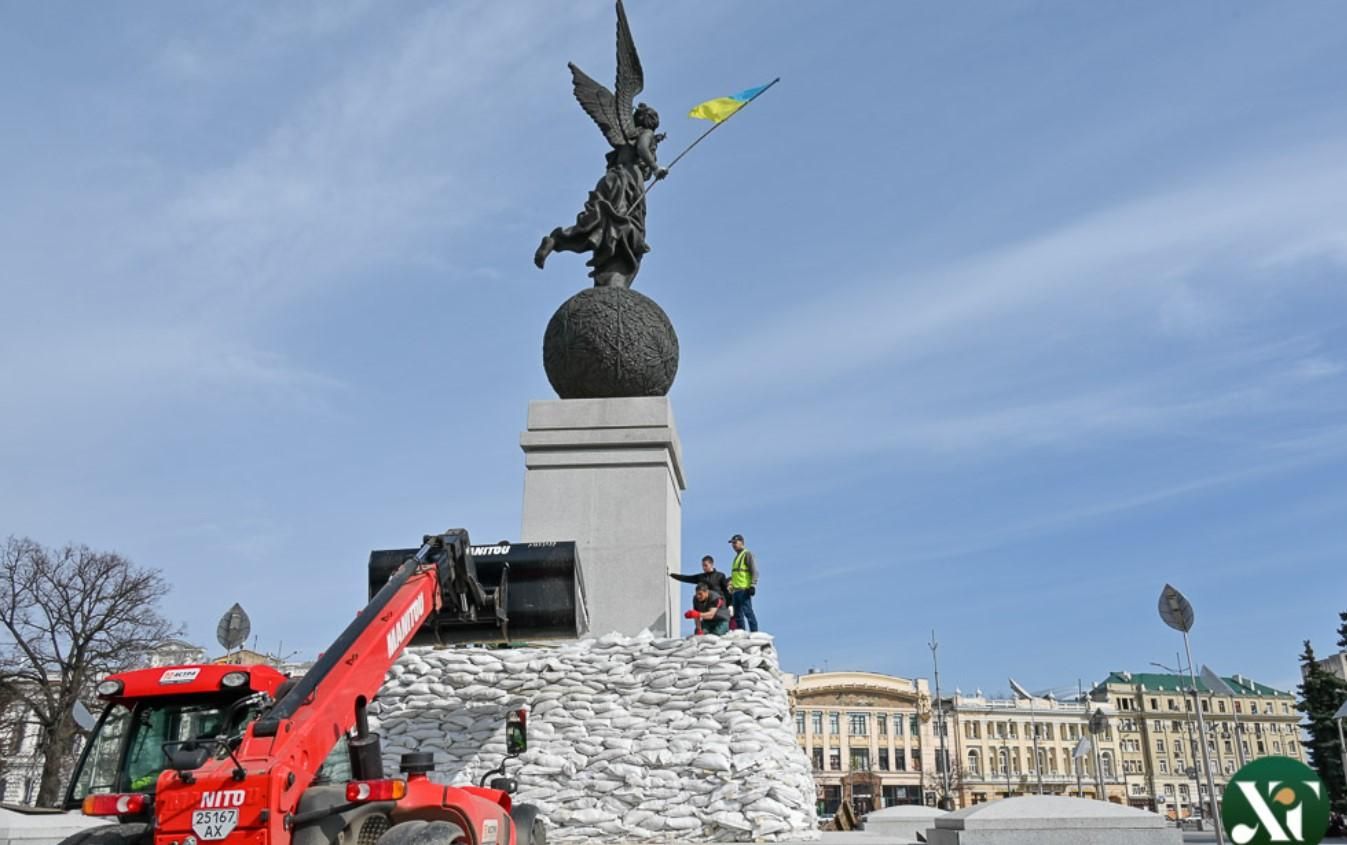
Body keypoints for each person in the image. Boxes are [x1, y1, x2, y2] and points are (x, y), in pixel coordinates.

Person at [727, 533, 759, 632]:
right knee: (738, 615)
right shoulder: (737, 557)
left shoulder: (747, 554)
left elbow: (754, 570)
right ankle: (742, 632)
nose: (733, 545)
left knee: (748, 612)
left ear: (742, 542)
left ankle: (754, 631)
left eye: (735, 542)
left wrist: (753, 585)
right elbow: (736, 574)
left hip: (744, 589)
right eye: (732, 543)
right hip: (736, 590)